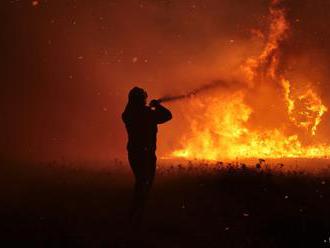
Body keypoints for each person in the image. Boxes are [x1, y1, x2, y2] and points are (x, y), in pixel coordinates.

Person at [122, 87, 172, 225]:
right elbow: (168, 116)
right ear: (141, 99)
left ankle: (135, 213)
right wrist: (157, 106)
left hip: (134, 152)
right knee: (146, 183)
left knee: (141, 181)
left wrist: (152, 107)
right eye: (144, 98)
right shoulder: (147, 113)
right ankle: (136, 214)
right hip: (147, 153)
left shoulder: (127, 114)